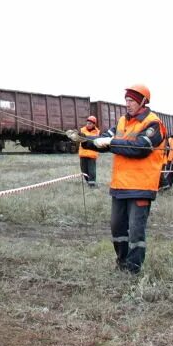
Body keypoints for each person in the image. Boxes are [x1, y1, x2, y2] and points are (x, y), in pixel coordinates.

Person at [69, 84, 166, 274]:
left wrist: (111, 142)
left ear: (143, 102)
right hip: (120, 186)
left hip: (141, 186)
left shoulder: (153, 124)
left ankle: (133, 269)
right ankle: (122, 263)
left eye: (131, 101)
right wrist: (83, 139)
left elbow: (139, 148)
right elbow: (103, 139)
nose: (127, 104)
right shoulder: (122, 122)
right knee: (117, 228)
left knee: (136, 231)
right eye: (127, 100)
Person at [77, 115, 101, 187]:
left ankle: (92, 184)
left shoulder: (98, 132)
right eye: (87, 123)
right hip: (83, 154)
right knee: (84, 171)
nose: (88, 125)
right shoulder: (82, 130)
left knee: (92, 171)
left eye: (90, 123)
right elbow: (78, 139)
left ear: (94, 124)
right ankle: (88, 182)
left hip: (92, 154)